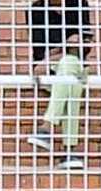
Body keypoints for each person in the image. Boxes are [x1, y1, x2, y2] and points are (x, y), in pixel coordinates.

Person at [25, 29, 95, 170]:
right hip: (53, 72)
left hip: (74, 69)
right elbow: (38, 69)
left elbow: (88, 46)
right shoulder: (39, 11)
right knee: (71, 79)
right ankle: (69, 149)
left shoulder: (78, 8)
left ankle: (47, 127)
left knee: (70, 72)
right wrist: (63, 50)